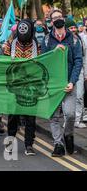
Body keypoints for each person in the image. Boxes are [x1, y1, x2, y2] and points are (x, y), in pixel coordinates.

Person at [41, 9, 83, 156]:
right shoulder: (46, 40)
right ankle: (58, 144)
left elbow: (78, 61)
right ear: (51, 22)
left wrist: (72, 81)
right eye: (54, 18)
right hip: (53, 84)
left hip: (69, 83)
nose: (57, 19)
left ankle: (68, 135)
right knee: (54, 116)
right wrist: (54, 51)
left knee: (70, 114)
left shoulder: (75, 39)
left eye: (60, 17)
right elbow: (44, 61)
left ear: (63, 20)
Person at [3, 19, 40, 156]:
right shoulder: (10, 44)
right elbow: (3, 62)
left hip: (31, 86)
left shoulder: (37, 45)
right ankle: (10, 142)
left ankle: (29, 145)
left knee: (30, 117)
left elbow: (43, 61)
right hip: (14, 85)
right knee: (13, 116)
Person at [65, 19, 87, 129]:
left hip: (80, 71)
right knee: (67, 97)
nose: (73, 30)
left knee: (79, 96)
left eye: (74, 27)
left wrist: (85, 73)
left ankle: (77, 120)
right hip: (68, 71)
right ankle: (68, 121)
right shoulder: (64, 40)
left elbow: (84, 58)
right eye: (71, 28)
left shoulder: (81, 39)